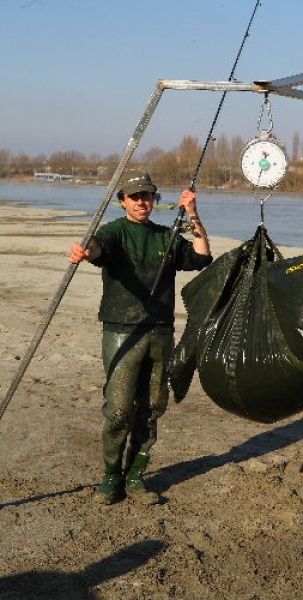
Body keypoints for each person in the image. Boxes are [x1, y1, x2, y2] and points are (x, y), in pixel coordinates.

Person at [69, 170, 212, 504]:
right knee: (119, 410)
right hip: (121, 332)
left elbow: (203, 256)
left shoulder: (166, 236)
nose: (141, 201)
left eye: (146, 195)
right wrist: (83, 250)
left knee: (151, 409)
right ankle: (110, 477)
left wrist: (192, 213)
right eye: (134, 196)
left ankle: (135, 477)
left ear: (154, 198)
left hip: (160, 332)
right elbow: (97, 248)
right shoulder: (115, 231)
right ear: (123, 201)